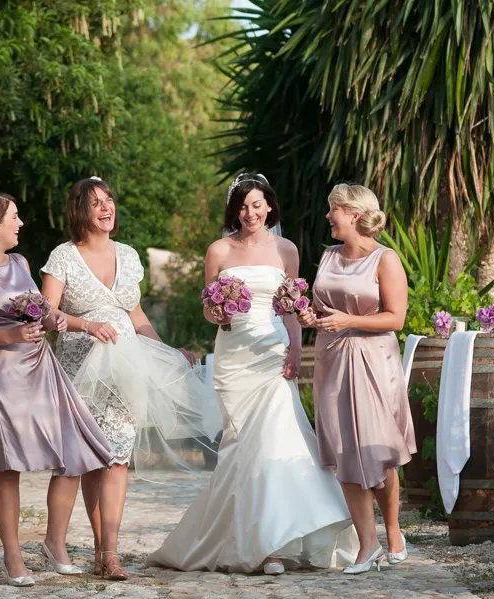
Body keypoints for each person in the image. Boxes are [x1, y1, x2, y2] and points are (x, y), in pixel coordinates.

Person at [147, 173, 357, 574]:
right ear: (235, 210)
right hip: (233, 358)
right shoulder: (218, 250)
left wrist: (296, 347)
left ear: (269, 207)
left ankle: (273, 546)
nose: (250, 213)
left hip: (274, 354)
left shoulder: (287, 250)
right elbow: (208, 309)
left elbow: (292, 307)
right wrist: (218, 310)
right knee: (241, 446)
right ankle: (243, 539)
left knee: (276, 443)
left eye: (257, 205)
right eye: (243, 207)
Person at [40, 176, 214, 581]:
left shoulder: (129, 256)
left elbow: (137, 318)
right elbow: (46, 315)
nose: (106, 208)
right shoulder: (63, 257)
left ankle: (110, 553)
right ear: (79, 211)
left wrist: (170, 353)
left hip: (125, 374)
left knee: (117, 461)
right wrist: (86, 325)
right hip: (78, 374)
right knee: (76, 462)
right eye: (96, 202)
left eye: (110, 200)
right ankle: (55, 542)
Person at [0, 192, 112, 587]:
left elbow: (44, 308)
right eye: (15, 217)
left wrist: (73, 323)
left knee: (76, 448)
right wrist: (12, 333)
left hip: (41, 367)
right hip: (3, 375)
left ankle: (54, 544)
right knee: (9, 465)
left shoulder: (20, 262)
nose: (21, 224)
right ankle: (12, 555)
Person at [297, 183, 416, 574]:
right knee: (345, 450)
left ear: (352, 213)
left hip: (373, 360)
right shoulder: (328, 256)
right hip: (332, 359)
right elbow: (321, 307)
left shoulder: (386, 259)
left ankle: (394, 529)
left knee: (377, 451)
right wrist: (309, 319)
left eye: (333, 209)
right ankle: (368, 545)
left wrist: (349, 320)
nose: (328, 216)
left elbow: (396, 318)